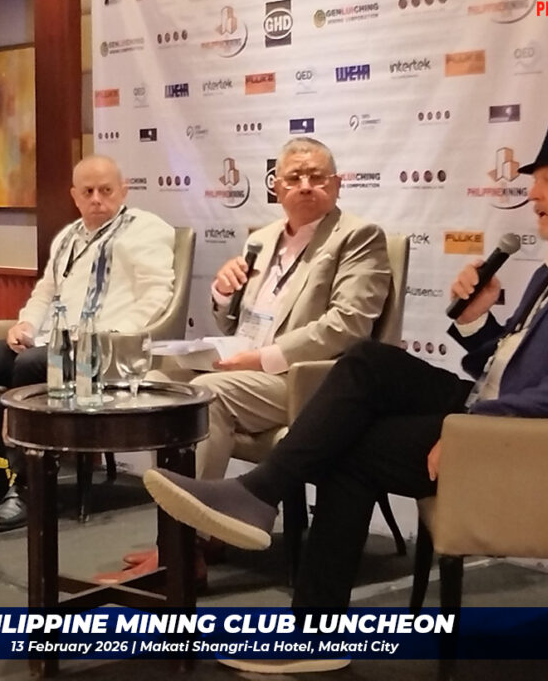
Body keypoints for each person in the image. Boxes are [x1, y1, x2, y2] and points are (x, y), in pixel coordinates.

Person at [140, 121, 548, 674]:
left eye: (547, 180)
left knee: (349, 446)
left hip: (528, 438)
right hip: (495, 407)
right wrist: (476, 322)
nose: (532, 192)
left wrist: (476, 425)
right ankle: (264, 506)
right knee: (368, 361)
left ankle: (301, 603)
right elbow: (506, 366)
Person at [100, 136, 391, 584]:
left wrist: (263, 358)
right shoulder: (262, 238)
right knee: (162, 380)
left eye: (317, 177)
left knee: (205, 396)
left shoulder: (357, 237)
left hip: (311, 381)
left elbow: (349, 325)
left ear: (336, 185)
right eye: (294, 177)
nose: (305, 185)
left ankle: (182, 551)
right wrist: (223, 292)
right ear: (276, 186)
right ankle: (195, 533)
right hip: (249, 366)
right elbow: (233, 319)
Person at [0, 154, 175, 532]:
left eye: (106, 190)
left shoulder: (146, 230)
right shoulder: (68, 236)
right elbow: (45, 292)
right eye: (88, 192)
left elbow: (157, 297)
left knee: (31, 364)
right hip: (51, 343)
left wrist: (105, 337)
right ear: (74, 195)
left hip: (104, 350)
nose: (97, 199)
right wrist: (25, 324)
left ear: (124, 190)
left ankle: (26, 487)